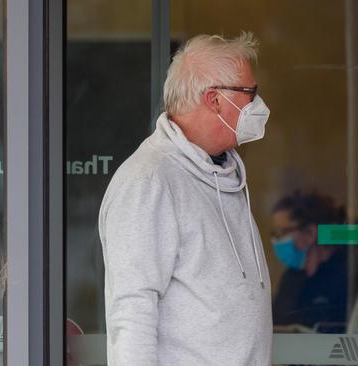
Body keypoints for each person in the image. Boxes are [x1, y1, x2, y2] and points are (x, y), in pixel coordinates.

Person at [98, 32, 272, 365]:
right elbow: (132, 314)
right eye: (251, 93)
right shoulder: (149, 182)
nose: (257, 105)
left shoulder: (223, 175)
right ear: (215, 100)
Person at [271, 190, 347, 331]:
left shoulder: (347, 276)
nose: (276, 241)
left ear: (310, 233)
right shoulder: (291, 278)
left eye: (282, 232)